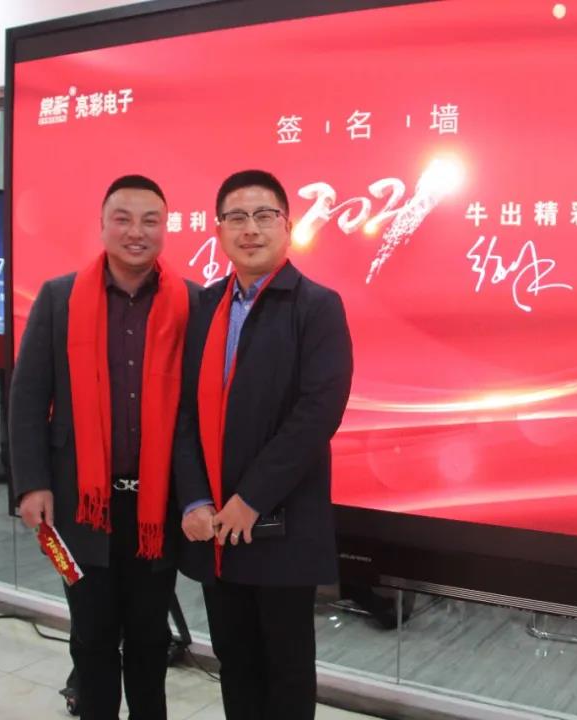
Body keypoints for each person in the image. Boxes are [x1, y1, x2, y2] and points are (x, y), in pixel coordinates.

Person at [10, 174, 192, 720]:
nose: (136, 232)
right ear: (103, 225)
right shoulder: (59, 298)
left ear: (165, 228)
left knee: (149, 638)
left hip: (157, 506)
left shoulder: (191, 303)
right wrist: (32, 484)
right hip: (80, 505)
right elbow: (28, 397)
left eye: (150, 221)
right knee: (91, 637)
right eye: (123, 219)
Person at [174, 169, 353, 719]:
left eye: (263, 215)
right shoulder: (203, 307)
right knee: (236, 666)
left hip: (282, 526)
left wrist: (250, 499)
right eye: (236, 217)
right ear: (219, 230)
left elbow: (317, 413)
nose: (249, 229)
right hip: (215, 529)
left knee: (287, 672)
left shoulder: (317, 306)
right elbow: (182, 413)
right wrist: (194, 499)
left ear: (287, 225)